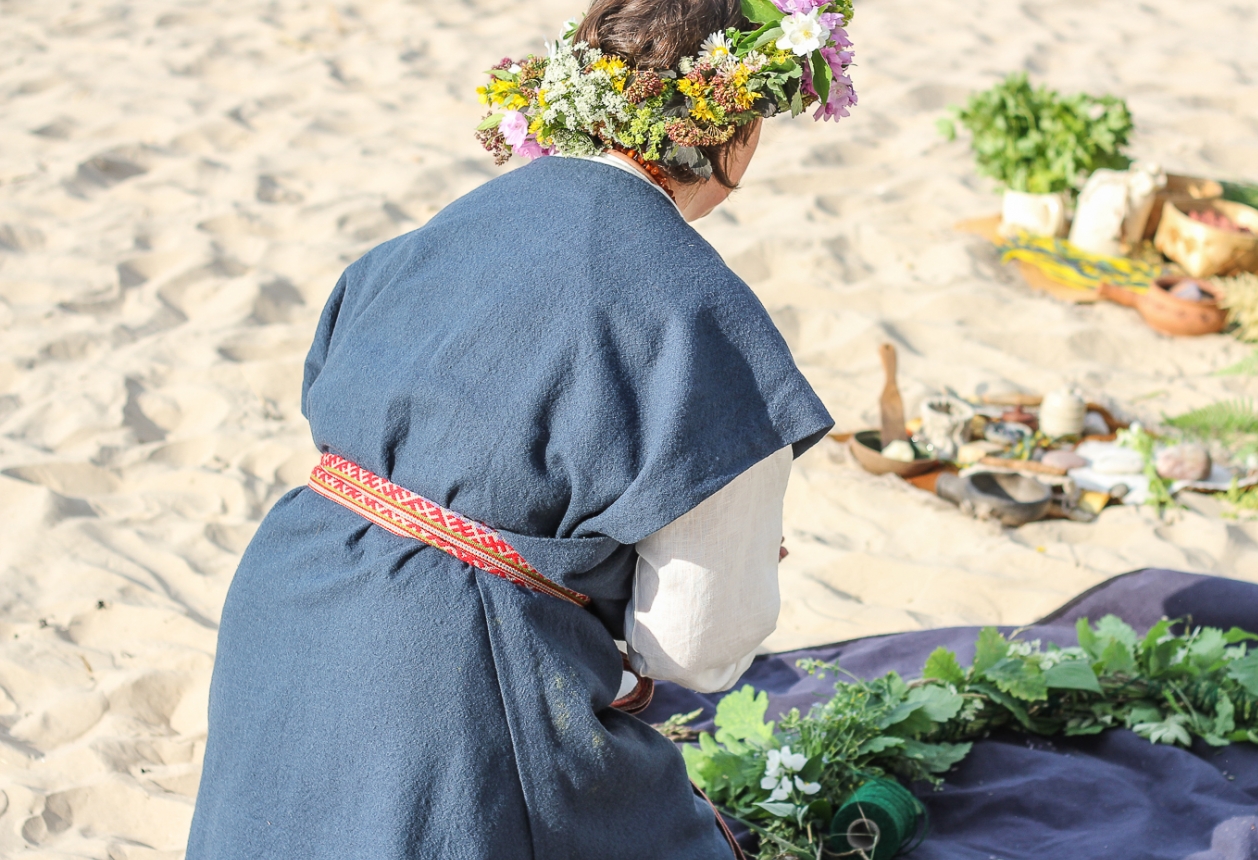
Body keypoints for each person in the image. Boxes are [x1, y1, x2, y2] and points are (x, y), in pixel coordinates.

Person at [186, 0, 857, 856]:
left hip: (283, 615)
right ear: (743, 134)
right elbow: (695, 643)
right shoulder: (703, 320)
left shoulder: (432, 237)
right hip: (447, 697)